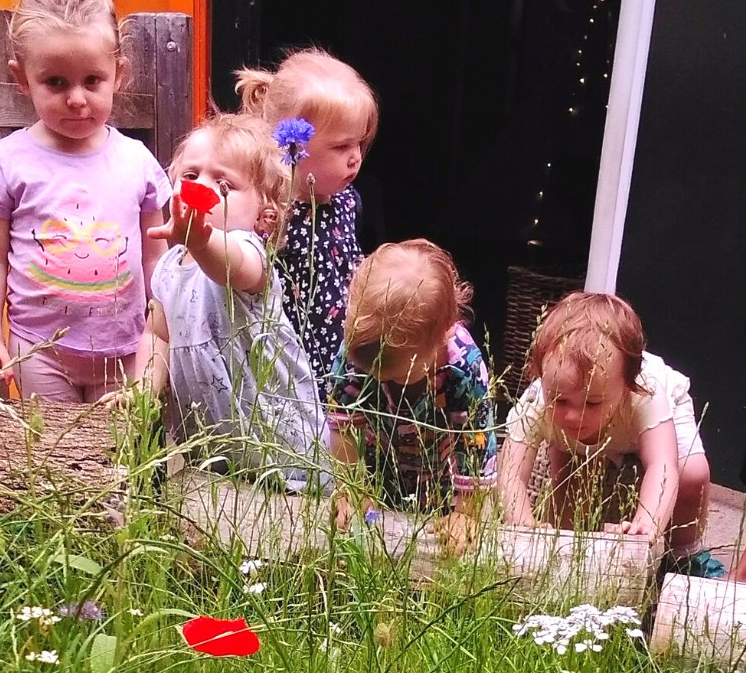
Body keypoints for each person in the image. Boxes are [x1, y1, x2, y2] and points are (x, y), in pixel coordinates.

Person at [0, 0, 170, 402]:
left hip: (126, 350)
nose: (76, 98)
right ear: (23, 79)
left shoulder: (138, 162)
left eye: (92, 80)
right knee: (56, 456)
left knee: (119, 457)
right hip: (40, 351)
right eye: (56, 82)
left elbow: (156, 257)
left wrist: (164, 328)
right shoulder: (7, 161)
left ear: (118, 73)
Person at [108, 113, 326, 487]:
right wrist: (143, 388)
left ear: (264, 212)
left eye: (224, 183)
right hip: (216, 449)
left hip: (283, 444)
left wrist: (201, 240)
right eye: (190, 176)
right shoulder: (168, 269)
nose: (201, 188)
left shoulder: (249, 254)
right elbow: (158, 335)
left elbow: (228, 265)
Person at [498, 291, 725, 577]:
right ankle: (566, 557)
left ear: (628, 385)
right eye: (560, 400)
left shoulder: (647, 391)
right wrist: (522, 525)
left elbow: (662, 464)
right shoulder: (536, 404)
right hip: (576, 444)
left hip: (643, 420)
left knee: (692, 475)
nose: (573, 415)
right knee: (568, 484)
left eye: (591, 402)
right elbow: (511, 472)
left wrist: (647, 523)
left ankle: (685, 555)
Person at [236, 49, 379, 396]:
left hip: (341, 363)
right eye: (341, 146)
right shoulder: (270, 214)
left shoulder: (348, 202)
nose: (356, 157)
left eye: (359, 142)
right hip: (288, 368)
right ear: (290, 145)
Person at [329, 240, 497, 528]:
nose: (376, 374)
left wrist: (465, 514)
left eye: (392, 373)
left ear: (438, 339)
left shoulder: (462, 368)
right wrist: (351, 487)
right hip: (378, 476)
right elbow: (343, 423)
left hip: (442, 487)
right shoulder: (358, 349)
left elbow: (475, 445)